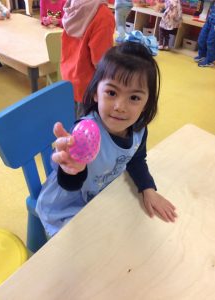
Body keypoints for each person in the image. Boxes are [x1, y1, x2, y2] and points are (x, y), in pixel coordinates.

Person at [36, 41, 178, 238]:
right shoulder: (84, 133)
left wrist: (148, 188)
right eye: (111, 93)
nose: (120, 106)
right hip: (67, 205)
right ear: (96, 93)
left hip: (100, 195)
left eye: (134, 98)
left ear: (146, 104)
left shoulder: (138, 131)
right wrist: (74, 170)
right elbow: (68, 184)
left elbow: (135, 159)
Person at [60, 0, 115, 119]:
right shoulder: (103, 15)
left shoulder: (72, 6)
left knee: (73, 123)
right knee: (86, 129)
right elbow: (101, 62)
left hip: (68, 77)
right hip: (88, 86)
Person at [194, 0, 215, 67]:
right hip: (210, 19)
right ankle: (202, 55)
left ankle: (209, 61)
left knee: (210, 42)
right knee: (202, 38)